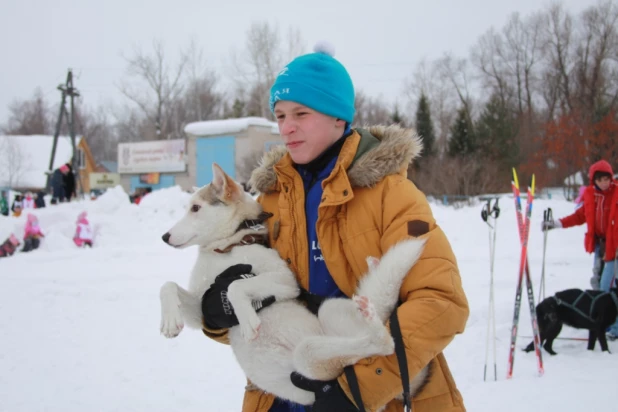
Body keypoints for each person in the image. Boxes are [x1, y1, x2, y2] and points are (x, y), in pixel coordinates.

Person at [200, 45, 469, 412]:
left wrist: (358, 386)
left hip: (373, 395)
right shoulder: (269, 202)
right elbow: (254, 307)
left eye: (301, 113)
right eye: (279, 115)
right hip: (283, 394)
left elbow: (441, 301)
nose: (287, 126)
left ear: (338, 118)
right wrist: (217, 314)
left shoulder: (392, 194)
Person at [543, 160, 616, 290]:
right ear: (594, 181)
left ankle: (609, 307)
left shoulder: (615, 195)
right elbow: (579, 216)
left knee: (607, 284)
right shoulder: (591, 196)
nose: (604, 183)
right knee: (597, 281)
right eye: (600, 180)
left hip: (615, 246)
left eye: (607, 179)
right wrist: (557, 223)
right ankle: (602, 307)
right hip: (601, 245)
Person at [600, 174, 618, 339]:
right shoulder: (613, 193)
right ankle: (607, 323)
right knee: (605, 287)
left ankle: (615, 328)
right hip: (613, 252)